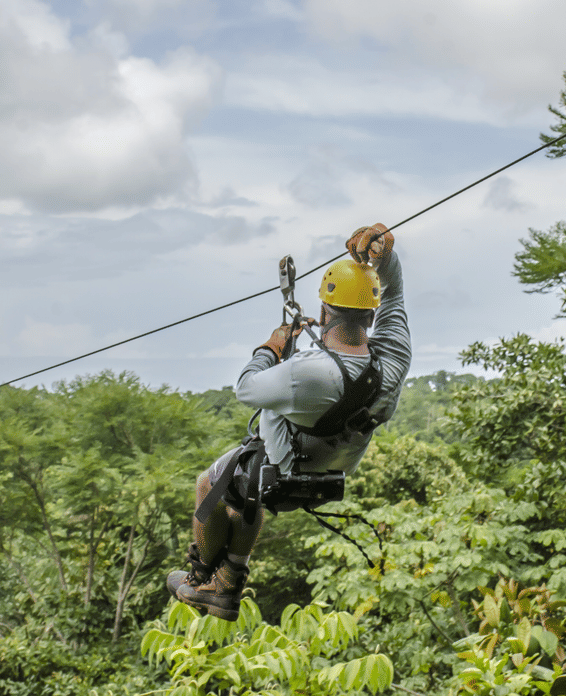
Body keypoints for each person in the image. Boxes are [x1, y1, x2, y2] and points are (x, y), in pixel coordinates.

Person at [167, 222, 411, 620]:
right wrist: (384, 257)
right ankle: (228, 581)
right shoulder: (393, 360)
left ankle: (199, 582)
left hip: (287, 464)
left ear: (323, 310)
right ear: (371, 314)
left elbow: (246, 388)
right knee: (246, 493)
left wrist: (273, 346)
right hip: (335, 466)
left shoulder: (305, 374)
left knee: (210, 483)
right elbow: (395, 294)